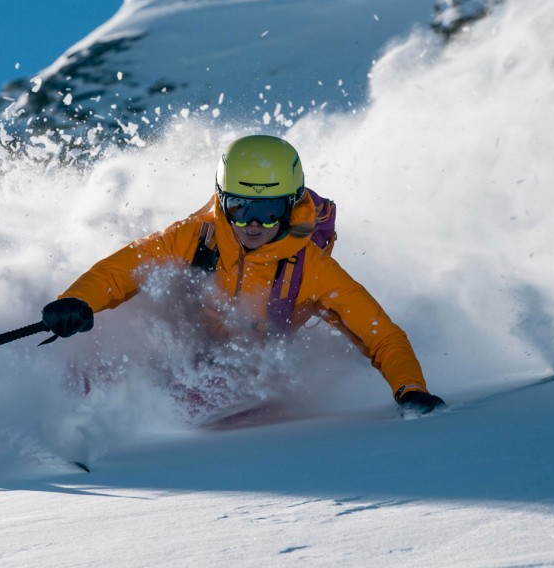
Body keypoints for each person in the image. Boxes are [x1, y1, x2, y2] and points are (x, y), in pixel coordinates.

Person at [41, 135, 445, 415]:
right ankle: (32, 424)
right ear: (221, 200)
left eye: (269, 211)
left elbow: (381, 334)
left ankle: (113, 436)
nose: (254, 224)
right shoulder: (196, 234)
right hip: (187, 338)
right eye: (239, 207)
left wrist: (411, 389)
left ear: (289, 207)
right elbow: (123, 269)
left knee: (191, 391)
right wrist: (76, 300)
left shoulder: (312, 269)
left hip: (250, 362)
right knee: (98, 363)